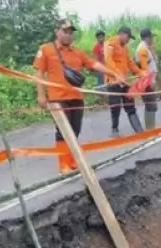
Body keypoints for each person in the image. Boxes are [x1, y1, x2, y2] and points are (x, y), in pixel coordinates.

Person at [33, 19, 125, 174]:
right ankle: (64, 164)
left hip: (76, 97)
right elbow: (39, 73)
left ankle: (72, 160)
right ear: (56, 31)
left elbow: (94, 64)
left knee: (75, 130)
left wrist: (114, 74)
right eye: (65, 31)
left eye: (70, 32)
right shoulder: (46, 50)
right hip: (58, 99)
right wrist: (41, 95)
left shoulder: (77, 52)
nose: (68, 35)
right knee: (63, 131)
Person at [104, 26, 146, 136]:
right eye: (128, 37)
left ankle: (139, 130)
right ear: (122, 34)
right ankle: (115, 128)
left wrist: (140, 73)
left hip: (125, 81)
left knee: (130, 104)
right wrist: (117, 74)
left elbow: (130, 63)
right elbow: (108, 60)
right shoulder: (111, 43)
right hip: (113, 82)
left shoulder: (125, 48)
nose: (128, 40)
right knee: (115, 106)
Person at [135, 28, 160, 131]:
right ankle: (150, 130)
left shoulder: (145, 48)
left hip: (147, 81)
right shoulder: (142, 49)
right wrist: (150, 81)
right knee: (150, 105)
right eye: (151, 37)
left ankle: (151, 129)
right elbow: (144, 68)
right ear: (148, 37)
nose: (152, 39)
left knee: (151, 105)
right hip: (146, 82)